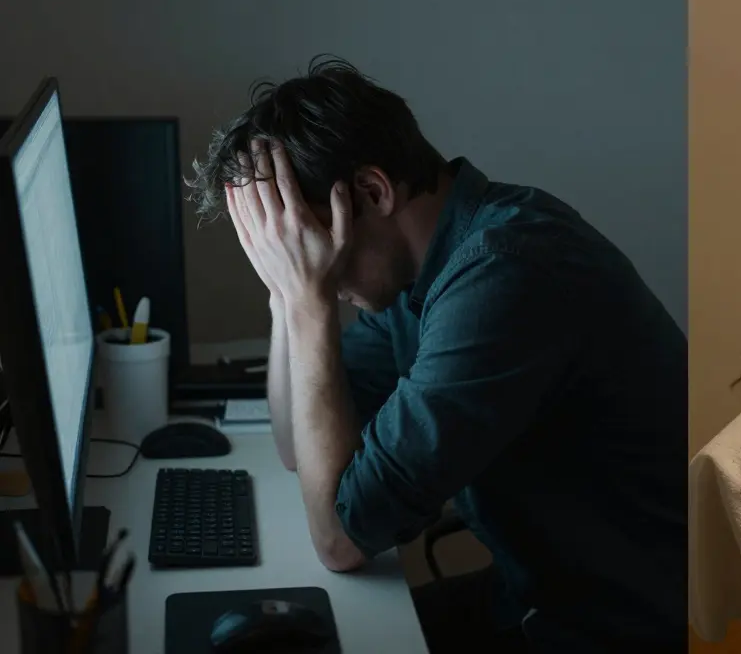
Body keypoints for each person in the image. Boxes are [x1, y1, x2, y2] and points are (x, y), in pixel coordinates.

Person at [186, 57, 687, 654]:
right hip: (530, 597)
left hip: (612, 627)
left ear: (372, 192)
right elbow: (300, 446)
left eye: (303, 239)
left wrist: (307, 302)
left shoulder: (506, 272)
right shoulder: (419, 273)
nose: (301, 261)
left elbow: (340, 538)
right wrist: (284, 295)